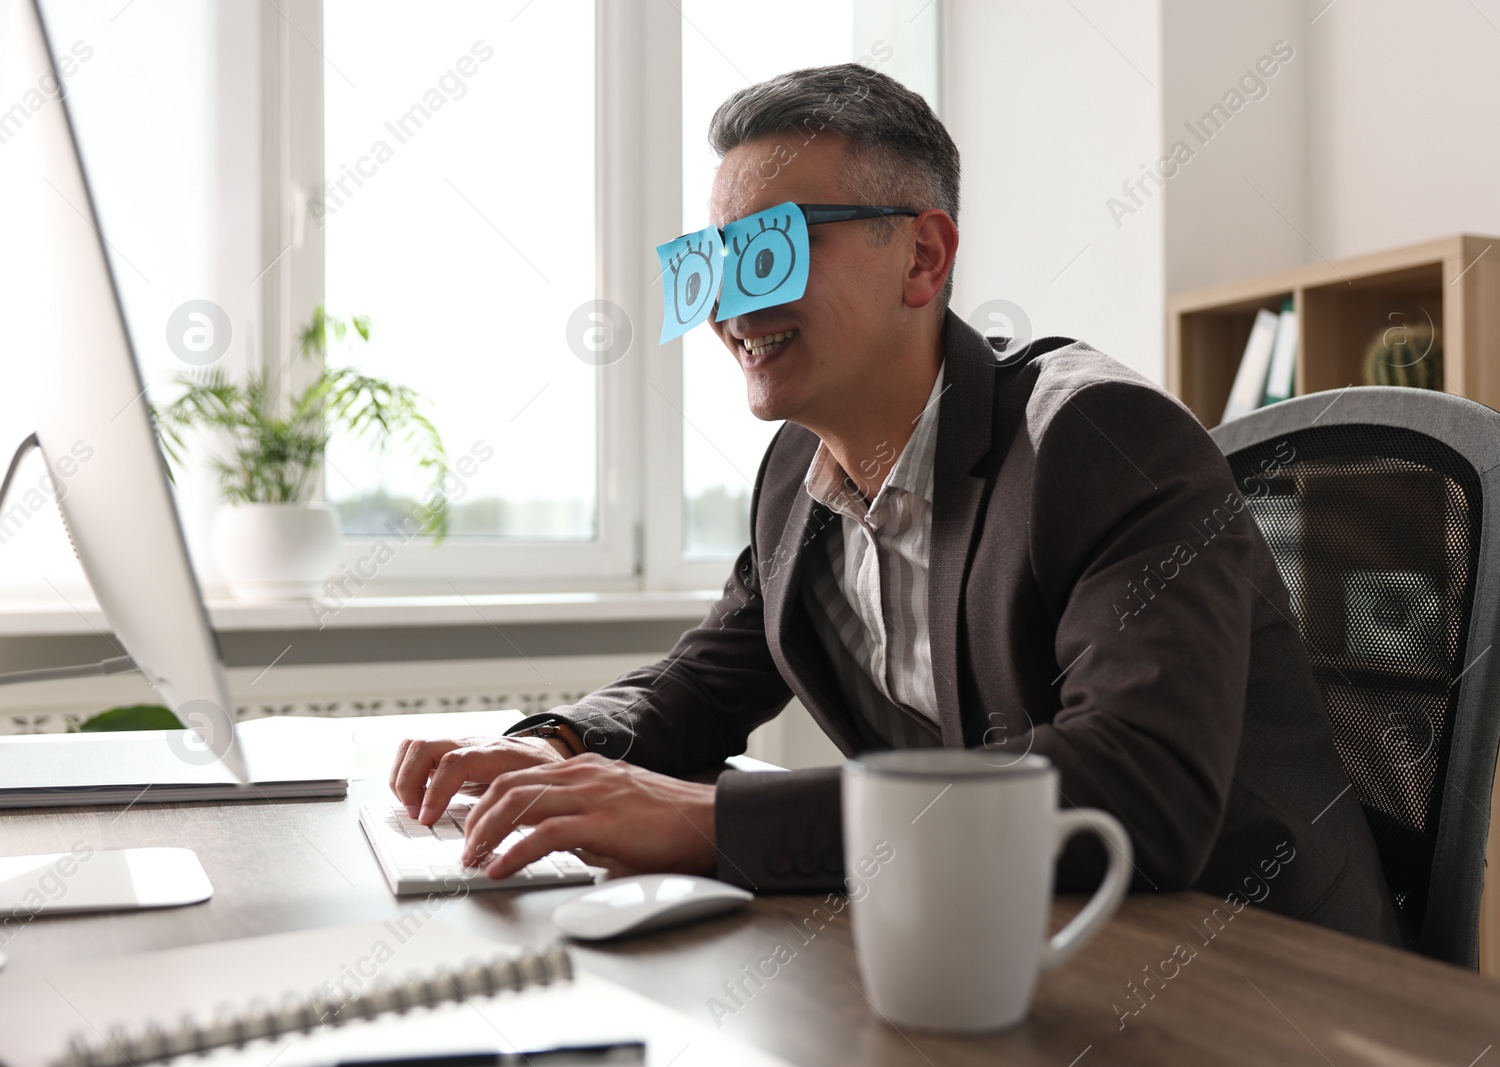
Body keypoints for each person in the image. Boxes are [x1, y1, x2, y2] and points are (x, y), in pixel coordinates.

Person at [390, 63, 1406, 947]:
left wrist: (712, 819)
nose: (732, 309)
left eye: (771, 252)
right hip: (1003, 942)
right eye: (710, 266)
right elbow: (703, 679)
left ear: (922, 256)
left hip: (1248, 967)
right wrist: (553, 745)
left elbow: (1133, 786)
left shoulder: (1101, 442)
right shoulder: (799, 474)